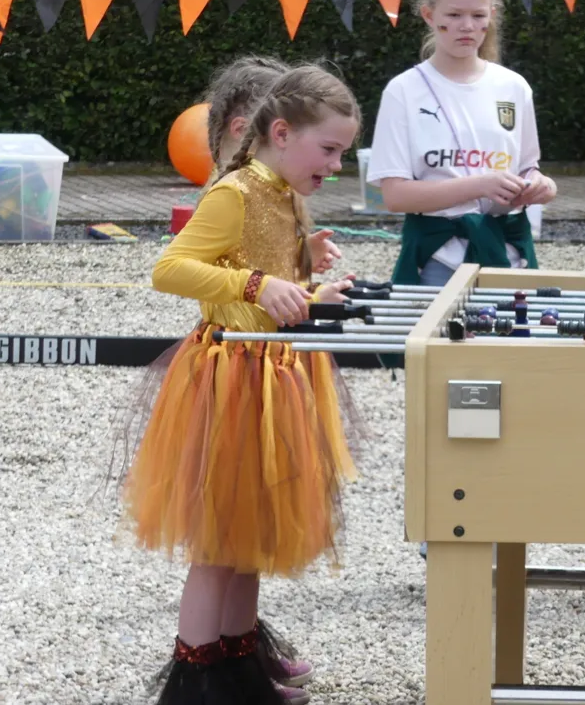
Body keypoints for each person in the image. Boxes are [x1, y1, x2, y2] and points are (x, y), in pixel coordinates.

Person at [123, 65, 362, 705]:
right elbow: (171, 269)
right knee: (218, 543)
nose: (337, 165)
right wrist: (257, 285)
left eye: (342, 152)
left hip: (273, 372)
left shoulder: (283, 192)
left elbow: (264, 270)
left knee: (249, 536)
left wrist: (309, 279)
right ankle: (201, 687)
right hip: (231, 377)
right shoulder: (235, 193)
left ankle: (240, 674)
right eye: (329, 149)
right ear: (281, 134)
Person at [368, 0, 556, 288]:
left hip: (508, 254)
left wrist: (541, 185)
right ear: (429, 15)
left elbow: (528, 167)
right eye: (454, 15)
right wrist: (479, 185)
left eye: (477, 15)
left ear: (491, 15)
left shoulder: (514, 87)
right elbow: (395, 196)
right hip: (437, 260)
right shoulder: (403, 91)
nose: (467, 26)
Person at [204, 55, 343, 283]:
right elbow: (182, 270)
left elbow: (261, 266)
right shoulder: (230, 195)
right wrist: (259, 288)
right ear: (241, 129)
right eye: (281, 134)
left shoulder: (276, 191)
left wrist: (300, 256)